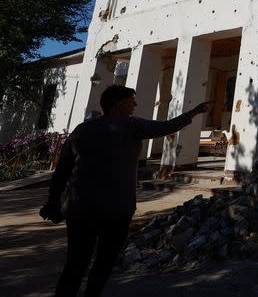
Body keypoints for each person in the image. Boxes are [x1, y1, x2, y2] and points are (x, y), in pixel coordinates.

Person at [40, 84, 211, 297]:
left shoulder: (82, 129)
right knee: (104, 262)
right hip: (115, 209)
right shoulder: (129, 125)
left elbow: (62, 169)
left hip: (80, 207)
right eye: (132, 100)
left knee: (75, 263)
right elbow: (166, 127)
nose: (136, 104)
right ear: (119, 103)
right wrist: (194, 112)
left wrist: (53, 200)